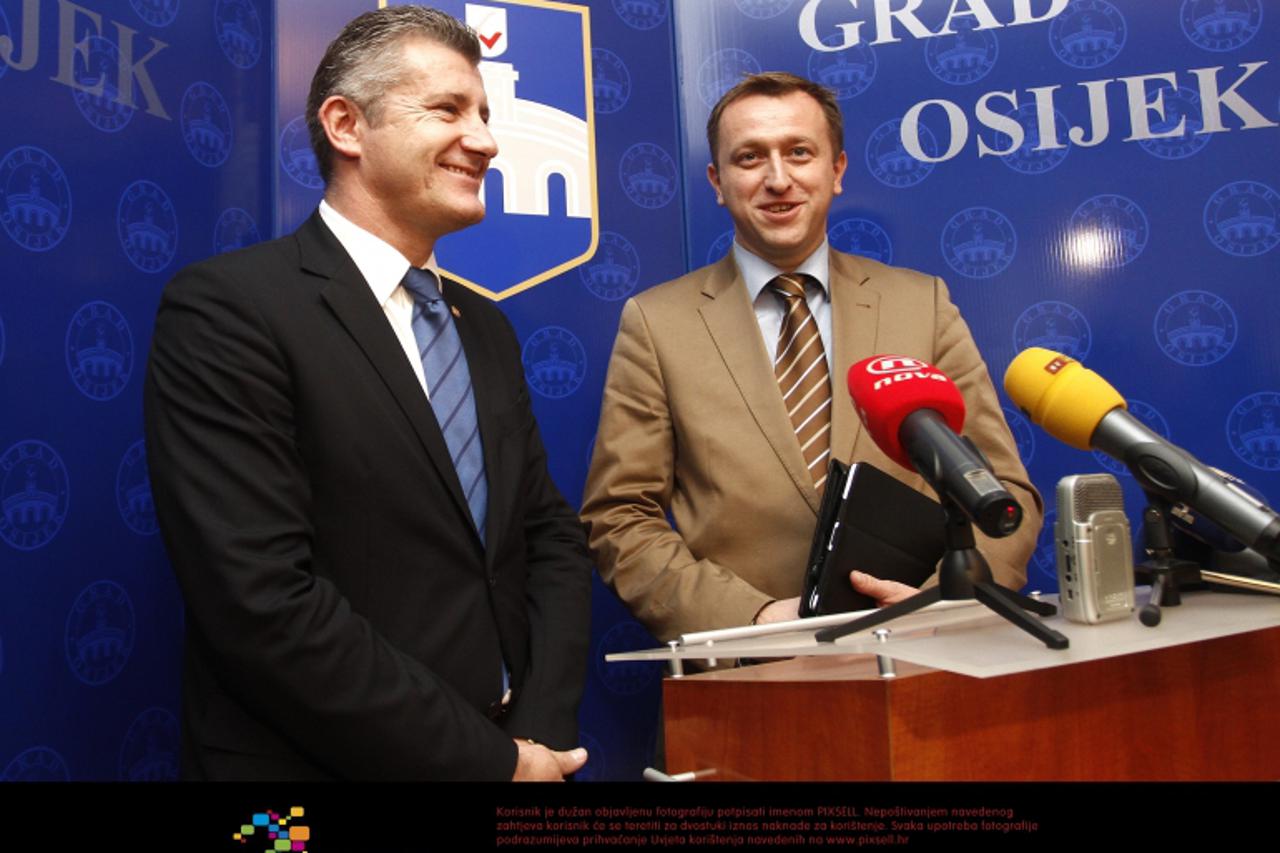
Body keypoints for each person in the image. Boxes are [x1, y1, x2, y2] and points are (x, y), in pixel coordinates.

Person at [145, 6, 591, 781]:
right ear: (347, 126)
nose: (484, 139)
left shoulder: (484, 326)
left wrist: (538, 737)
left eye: (483, 113)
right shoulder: (230, 309)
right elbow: (262, 603)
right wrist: (489, 761)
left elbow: (545, 537)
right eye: (448, 109)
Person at [580, 72, 1042, 642]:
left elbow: (1002, 494)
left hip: (927, 661)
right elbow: (620, 518)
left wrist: (939, 604)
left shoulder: (922, 304)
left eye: (799, 152)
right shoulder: (657, 324)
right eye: (749, 158)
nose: (778, 179)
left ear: (837, 170)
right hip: (749, 677)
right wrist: (750, 620)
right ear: (717, 181)